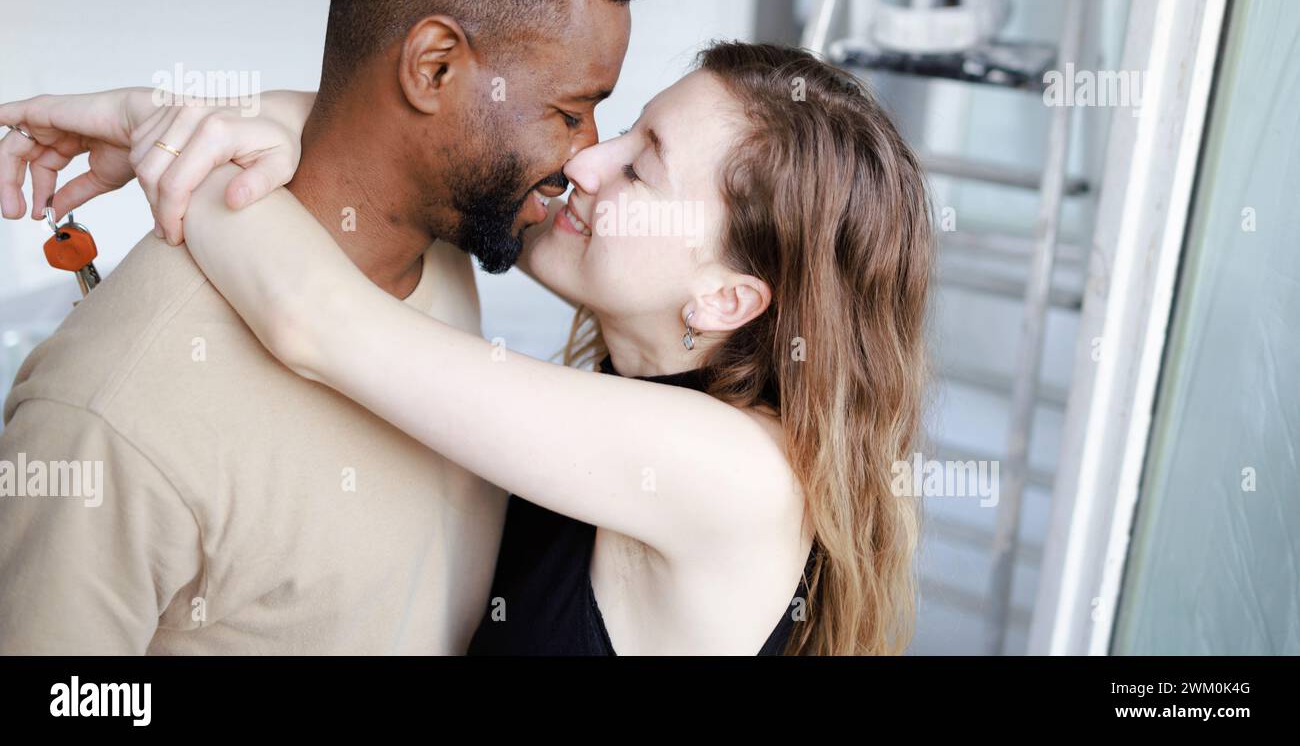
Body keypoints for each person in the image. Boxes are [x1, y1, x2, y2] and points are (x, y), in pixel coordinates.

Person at [1, 41, 935, 654]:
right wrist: (168, 113)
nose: (584, 162)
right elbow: (410, 158)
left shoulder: (734, 473)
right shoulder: (656, 394)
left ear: (726, 296)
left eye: (642, 165)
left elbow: (315, 323)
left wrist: (157, 136)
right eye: (622, 127)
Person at [0, 0, 644, 654]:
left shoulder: (446, 233)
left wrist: (163, 112)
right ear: (436, 68)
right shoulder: (111, 412)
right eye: (569, 112)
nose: (588, 155)